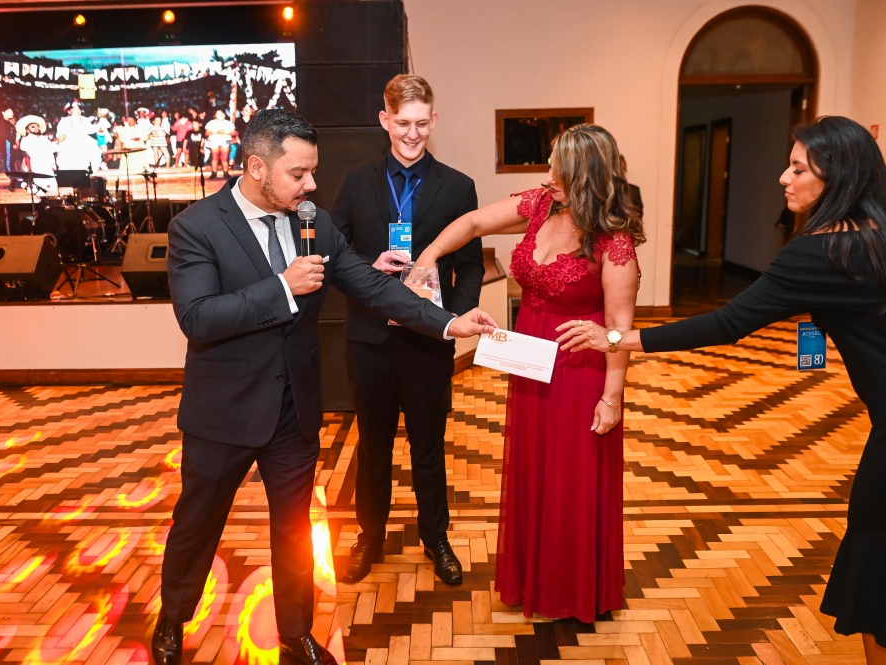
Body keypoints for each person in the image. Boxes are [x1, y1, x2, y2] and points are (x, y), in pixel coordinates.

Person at [561, 116, 886, 663]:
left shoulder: (819, 252)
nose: (784, 178)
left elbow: (726, 324)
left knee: (879, 549)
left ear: (838, 177)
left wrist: (615, 337)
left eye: (799, 168)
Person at [153, 108, 497, 665]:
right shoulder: (197, 226)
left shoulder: (312, 222)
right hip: (224, 412)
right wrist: (282, 287)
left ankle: (296, 631)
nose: (311, 185)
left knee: (294, 530)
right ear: (257, 167)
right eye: (298, 174)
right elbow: (198, 318)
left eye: (312, 171)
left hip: (294, 409)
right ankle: (172, 620)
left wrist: (448, 322)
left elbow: (372, 286)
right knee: (197, 523)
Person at [412, 124, 644, 621]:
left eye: (559, 169)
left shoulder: (615, 242)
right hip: (531, 362)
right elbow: (473, 222)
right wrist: (429, 255)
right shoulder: (539, 205)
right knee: (534, 469)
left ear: (585, 175)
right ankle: (533, 576)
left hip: (579, 368)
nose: (548, 176)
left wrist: (612, 397)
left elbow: (620, 329)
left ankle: (571, 589)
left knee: (571, 478)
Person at [331, 74, 484, 586]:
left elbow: (471, 266)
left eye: (421, 123)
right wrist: (367, 266)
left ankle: (436, 538)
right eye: (402, 123)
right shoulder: (356, 182)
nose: (412, 134)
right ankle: (369, 536)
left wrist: (451, 323)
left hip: (427, 342)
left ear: (434, 120)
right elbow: (334, 254)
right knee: (373, 447)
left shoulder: (459, 186)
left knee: (428, 447)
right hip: (370, 338)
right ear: (384, 120)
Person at [16, 115, 58, 194]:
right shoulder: (26, 140)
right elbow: (29, 150)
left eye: (37, 126)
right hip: (37, 168)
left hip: (49, 169)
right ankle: (24, 185)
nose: (36, 128)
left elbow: (54, 148)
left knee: (53, 190)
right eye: (33, 127)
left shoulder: (44, 139)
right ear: (28, 130)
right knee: (40, 192)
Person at [56, 100, 101, 172]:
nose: (77, 111)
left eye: (78, 109)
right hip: (68, 151)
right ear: (69, 111)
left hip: (82, 151)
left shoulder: (85, 120)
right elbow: (60, 137)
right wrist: (63, 137)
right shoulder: (64, 121)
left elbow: (91, 130)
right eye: (74, 109)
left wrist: (99, 127)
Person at [204, 108, 234, 179]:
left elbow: (233, 133)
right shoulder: (211, 123)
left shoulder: (228, 123)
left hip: (225, 141)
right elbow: (206, 133)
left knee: (224, 158)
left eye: (221, 114)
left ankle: (226, 173)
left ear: (224, 115)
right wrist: (215, 131)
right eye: (218, 114)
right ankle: (214, 173)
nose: (220, 115)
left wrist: (225, 132)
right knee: (214, 157)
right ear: (215, 115)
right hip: (214, 141)